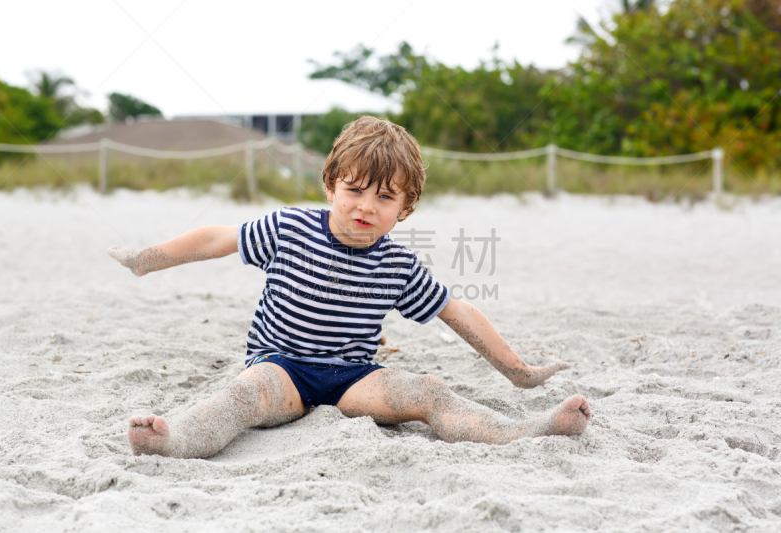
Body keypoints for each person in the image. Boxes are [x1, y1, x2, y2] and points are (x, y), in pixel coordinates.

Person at [108, 116, 591, 459]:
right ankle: (172, 440)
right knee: (240, 398)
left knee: (430, 392)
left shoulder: (397, 264)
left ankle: (525, 432)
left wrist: (519, 372)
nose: (365, 206)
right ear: (331, 186)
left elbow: (455, 310)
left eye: (384, 197)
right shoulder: (290, 226)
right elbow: (217, 238)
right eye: (354, 190)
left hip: (354, 378)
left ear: (404, 208)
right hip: (282, 370)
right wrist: (146, 260)